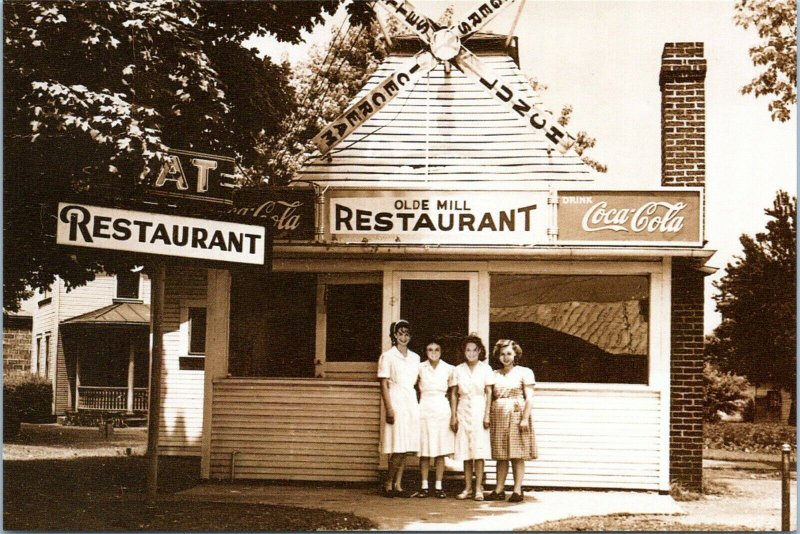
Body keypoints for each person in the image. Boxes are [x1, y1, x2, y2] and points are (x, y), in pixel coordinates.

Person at [486, 339, 537, 503]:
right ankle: (499, 489)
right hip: (499, 414)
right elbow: (489, 396)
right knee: (501, 455)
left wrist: (524, 419)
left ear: (515, 354)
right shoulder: (494, 374)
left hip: (516, 414)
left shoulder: (524, 372)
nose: (506, 357)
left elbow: (529, 398)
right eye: (502, 354)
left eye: (509, 353)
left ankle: (517, 490)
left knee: (516, 454)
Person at [377, 319, 421, 498]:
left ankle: (399, 484)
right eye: (400, 333)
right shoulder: (387, 356)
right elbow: (383, 384)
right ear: (395, 335)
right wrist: (389, 408)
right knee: (397, 445)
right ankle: (387, 483)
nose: (403, 337)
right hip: (395, 401)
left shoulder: (415, 357)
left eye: (407, 334)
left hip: (410, 401)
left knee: (406, 445)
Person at [449, 333, 494, 501]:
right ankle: (467, 487)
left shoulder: (485, 369)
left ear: (480, 351)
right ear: (464, 351)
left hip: (479, 408)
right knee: (466, 451)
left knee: (478, 451)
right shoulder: (458, 370)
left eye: (475, 350)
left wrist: (487, 414)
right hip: (463, 410)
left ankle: (478, 488)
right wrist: (453, 416)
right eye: (468, 350)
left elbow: (489, 392)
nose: (471, 353)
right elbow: (453, 394)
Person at [415, 340, 455, 499]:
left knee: (440, 450)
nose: (433, 352)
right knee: (425, 451)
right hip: (424, 408)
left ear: (441, 351)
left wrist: (453, 414)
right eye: (430, 349)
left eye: (437, 349)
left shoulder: (449, 368)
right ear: (426, 351)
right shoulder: (420, 367)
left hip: (441, 409)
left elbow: (453, 393)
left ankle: (439, 486)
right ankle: (424, 486)